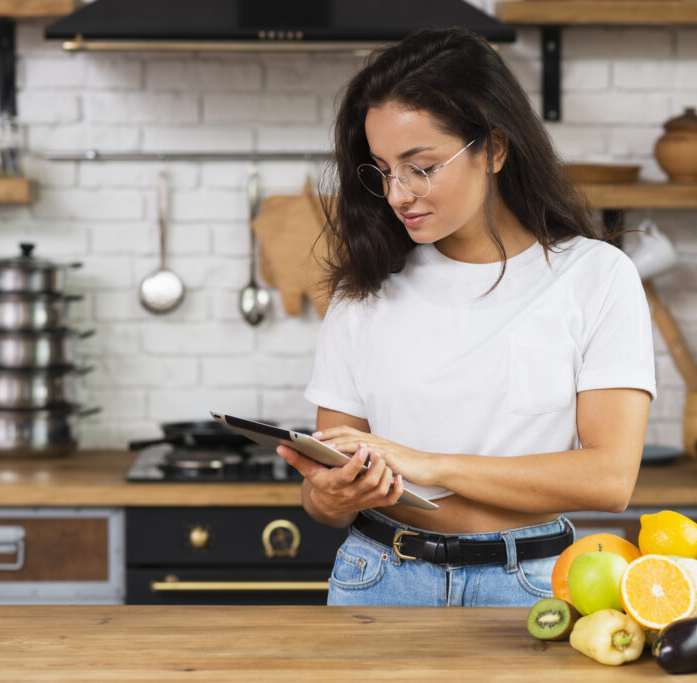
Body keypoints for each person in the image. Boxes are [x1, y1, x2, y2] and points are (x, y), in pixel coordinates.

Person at [276, 27, 655, 607]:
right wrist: (329, 496)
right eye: (381, 169)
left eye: (420, 167)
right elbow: (326, 491)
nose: (397, 193)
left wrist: (426, 464)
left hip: (533, 584)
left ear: (494, 150)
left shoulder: (596, 276)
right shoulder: (365, 289)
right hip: (378, 577)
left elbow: (609, 479)